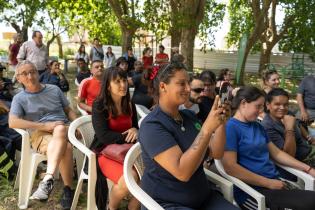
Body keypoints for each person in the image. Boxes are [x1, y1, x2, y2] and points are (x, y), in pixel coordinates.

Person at [139, 62, 238, 210]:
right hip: (169, 204)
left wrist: (220, 122)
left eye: (188, 83)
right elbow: (182, 172)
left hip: (204, 198)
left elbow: (216, 153)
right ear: (163, 86)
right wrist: (206, 129)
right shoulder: (152, 126)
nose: (188, 88)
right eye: (181, 83)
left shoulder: (189, 116)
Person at [223, 86, 315, 210]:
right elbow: (230, 167)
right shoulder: (231, 128)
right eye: (258, 106)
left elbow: (276, 153)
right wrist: (268, 183)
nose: (261, 111)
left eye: (262, 107)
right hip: (253, 192)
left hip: (275, 182)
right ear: (243, 103)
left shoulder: (257, 126)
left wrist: (308, 169)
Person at [9, 60, 77, 209]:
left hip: (64, 128)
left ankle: (47, 180)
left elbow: (68, 110)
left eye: (32, 71)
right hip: (41, 134)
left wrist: (76, 123)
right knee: (67, 148)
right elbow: (13, 122)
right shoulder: (19, 98)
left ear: (38, 73)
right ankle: (67, 190)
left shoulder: (54, 89)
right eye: (24, 73)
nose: (30, 76)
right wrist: (44, 125)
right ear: (19, 78)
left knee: (60, 129)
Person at [90, 66, 140, 210]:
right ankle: (112, 208)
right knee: (130, 178)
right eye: (117, 81)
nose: (123, 85)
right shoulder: (99, 105)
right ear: (107, 86)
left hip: (127, 153)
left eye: (124, 80)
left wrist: (135, 130)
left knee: (149, 176)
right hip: (104, 153)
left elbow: (136, 128)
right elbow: (103, 136)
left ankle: (132, 207)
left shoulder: (130, 104)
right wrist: (128, 136)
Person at [262, 88, 315, 167]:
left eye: (285, 104)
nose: (282, 108)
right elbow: (289, 155)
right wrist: (289, 128)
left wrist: (309, 138)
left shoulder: (287, 113)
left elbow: (298, 125)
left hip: (310, 149)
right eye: (277, 104)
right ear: (268, 105)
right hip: (304, 162)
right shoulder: (268, 127)